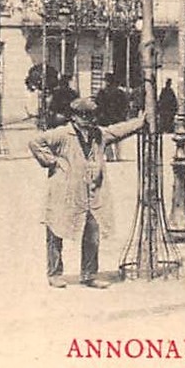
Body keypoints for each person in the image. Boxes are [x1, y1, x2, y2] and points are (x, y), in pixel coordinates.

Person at [28, 97, 144, 289]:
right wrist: (53, 162)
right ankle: (54, 273)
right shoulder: (63, 134)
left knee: (92, 230)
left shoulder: (98, 134)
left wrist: (139, 122)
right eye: (83, 116)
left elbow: (117, 131)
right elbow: (36, 142)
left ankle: (89, 274)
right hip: (63, 191)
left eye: (91, 116)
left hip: (89, 192)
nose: (88, 120)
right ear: (74, 117)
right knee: (56, 229)